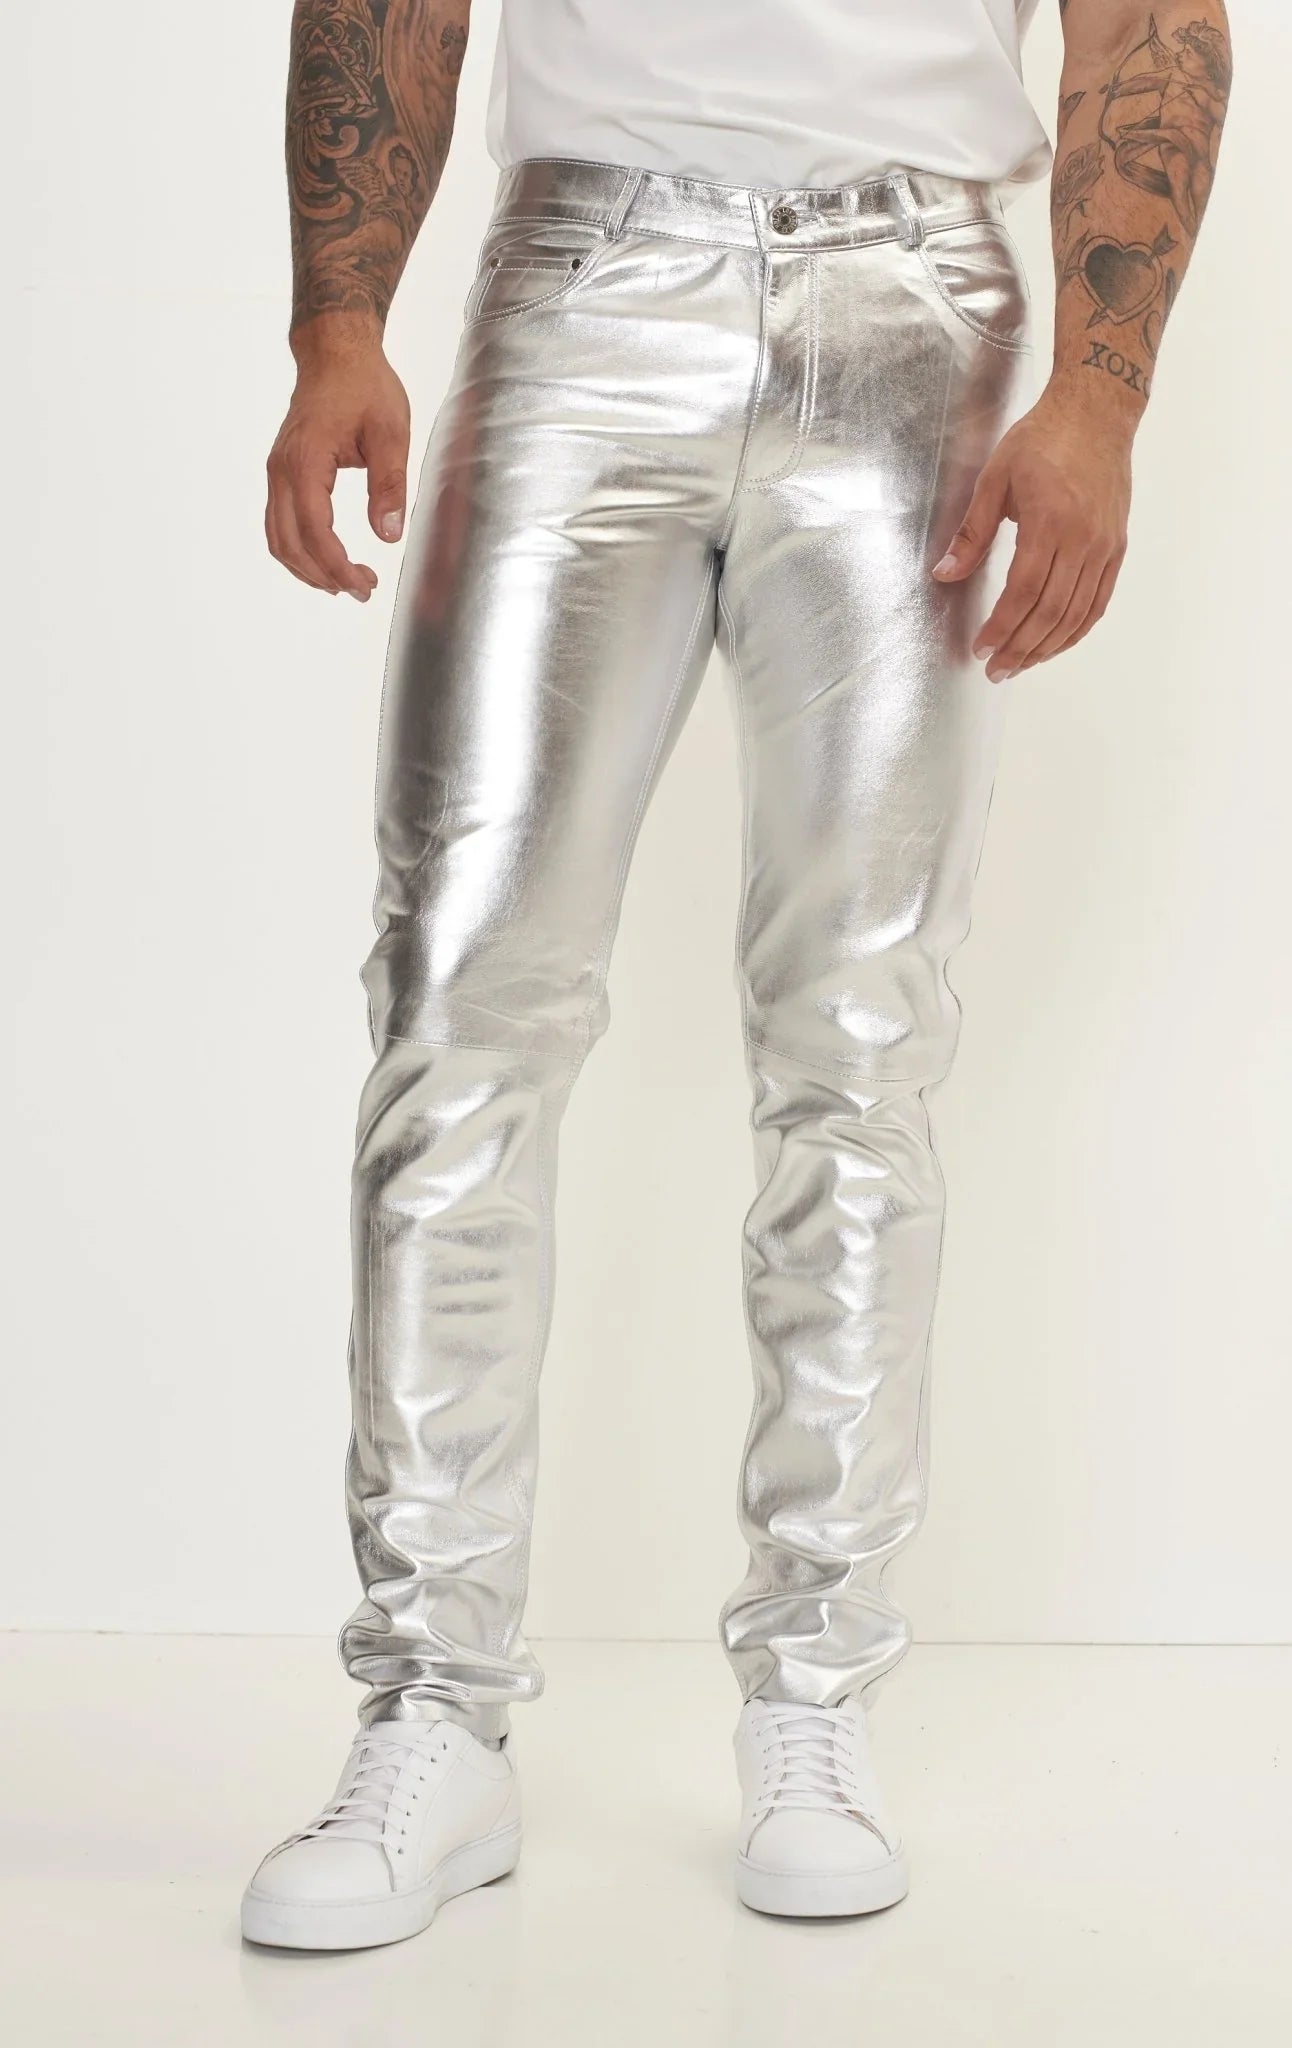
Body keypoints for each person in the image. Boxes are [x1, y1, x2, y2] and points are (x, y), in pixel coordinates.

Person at [241, 0, 1231, 1947]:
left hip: (917, 307)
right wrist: (336, 323)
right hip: (580, 286)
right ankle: (431, 1711)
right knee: (456, 1010)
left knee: (857, 1039)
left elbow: (1149, 21)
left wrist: (1103, 397)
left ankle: (812, 1694)